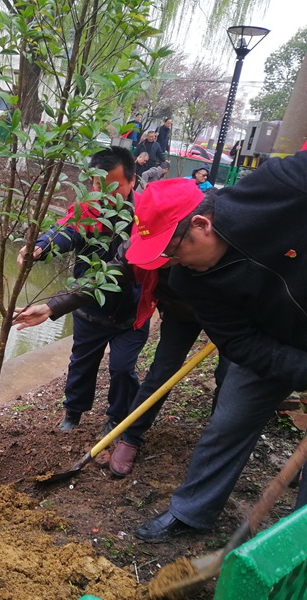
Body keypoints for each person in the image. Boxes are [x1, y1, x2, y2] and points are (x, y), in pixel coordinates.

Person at [124, 150, 307, 542]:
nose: (170, 264)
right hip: (272, 341)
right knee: (228, 423)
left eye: (172, 252)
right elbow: (239, 343)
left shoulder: (279, 187)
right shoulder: (191, 281)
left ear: (201, 224)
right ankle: (190, 513)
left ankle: (299, 537)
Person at [13, 179, 228, 477]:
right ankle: (130, 436)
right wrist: (52, 306)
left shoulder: (244, 238)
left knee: (229, 376)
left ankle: (218, 434)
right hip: (176, 313)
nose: (167, 260)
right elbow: (106, 272)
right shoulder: (128, 230)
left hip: (231, 312)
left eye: (170, 254)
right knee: (161, 371)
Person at [17, 146, 149, 434]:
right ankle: (73, 411)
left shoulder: (144, 219)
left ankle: (117, 418)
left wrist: (54, 305)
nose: (104, 194)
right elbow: (67, 229)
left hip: (132, 313)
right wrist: (42, 246)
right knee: (82, 363)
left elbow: (121, 267)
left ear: (132, 182)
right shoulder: (87, 212)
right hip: (89, 308)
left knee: (123, 368)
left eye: (114, 187)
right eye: (97, 185)